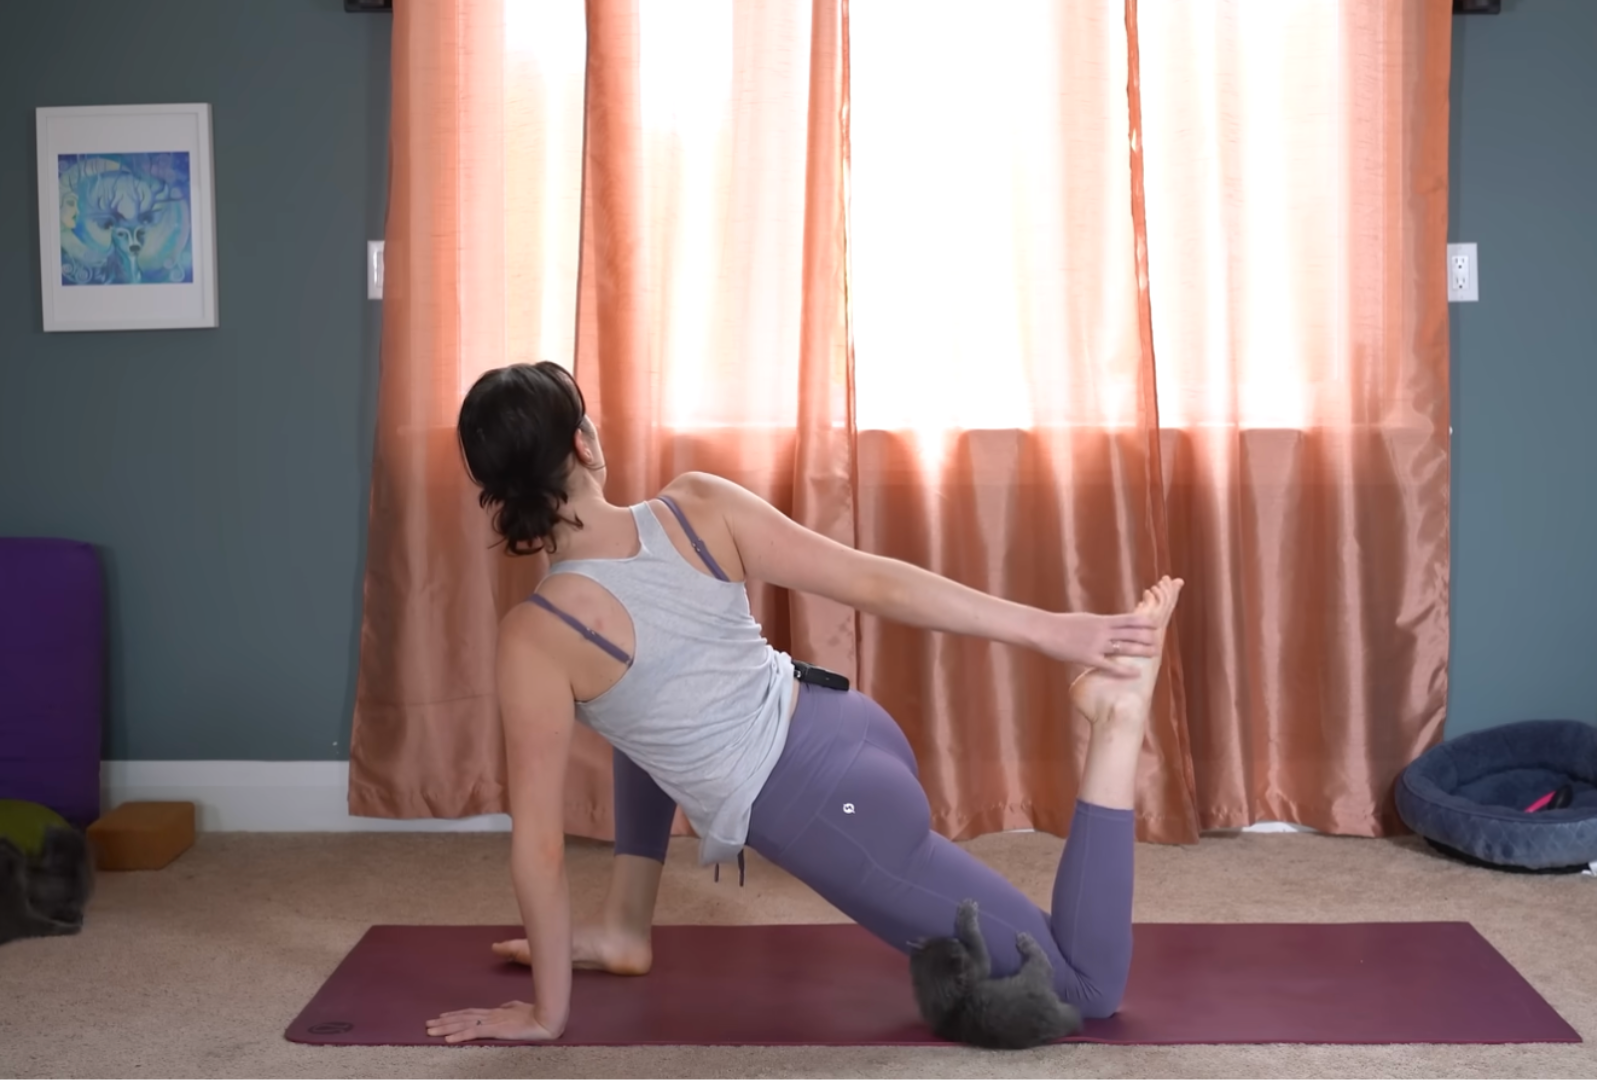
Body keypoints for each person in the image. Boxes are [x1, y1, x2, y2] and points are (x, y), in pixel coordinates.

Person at [425, 362, 1183, 1044]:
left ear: (501, 496)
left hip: (834, 814)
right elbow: (877, 581)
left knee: (1084, 989)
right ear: (585, 443)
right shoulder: (695, 504)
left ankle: (1114, 724)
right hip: (845, 723)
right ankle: (626, 929)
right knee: (642, 708)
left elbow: (540, 848)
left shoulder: (541, 636)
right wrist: (1050, 629)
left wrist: (545, 1014)